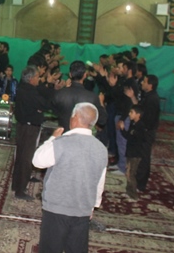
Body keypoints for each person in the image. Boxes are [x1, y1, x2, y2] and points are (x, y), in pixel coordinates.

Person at [32, 102, 108, 253]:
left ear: (75, 117)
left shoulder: (61, 143)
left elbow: (37, 161)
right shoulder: (101, 149)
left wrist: (52, 139)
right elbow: (100, 181)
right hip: (83, 210)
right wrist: (92, 206)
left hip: (57, 209)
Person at [12, 66, 47, 201]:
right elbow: (44, 104)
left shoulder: (22, 88)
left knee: (21, 156)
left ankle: (16, 184)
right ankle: (20, 190)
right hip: (29, 128)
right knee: (26, 158)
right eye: (37, 77)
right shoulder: (31, 92)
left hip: (22, 126)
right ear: (31, 79)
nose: (39, 79)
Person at [117, 105, 147, 200]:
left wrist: (131, 134)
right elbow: (128, 136)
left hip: (135, 154)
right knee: (128, 172)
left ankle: (134, 195)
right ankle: (128, 191)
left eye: (131, 112)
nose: (129, 114)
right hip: (130, 152)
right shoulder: (133, 123)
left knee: (131, 174)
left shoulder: (141, 126)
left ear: (138, 114)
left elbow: (138, 139)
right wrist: (122, 129)